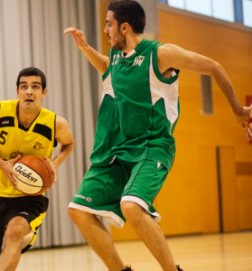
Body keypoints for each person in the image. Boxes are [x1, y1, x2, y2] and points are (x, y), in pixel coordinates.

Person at [63, 1, 252, 271]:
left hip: (153, 147)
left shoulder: (161, 54)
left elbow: (213, 66)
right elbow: (109, 68)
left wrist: (236, 109)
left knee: (130, 206)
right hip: (120, 148)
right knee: (78, 210)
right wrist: (84, 48)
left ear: (124, 27)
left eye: (108, 24)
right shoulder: (117, 56)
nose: (105, 30)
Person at [0, 67, 75, 271]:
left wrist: (55, 162)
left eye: (35, 87)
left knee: (14, 233)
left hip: (29, 196)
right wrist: (4, 165)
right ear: (17, 91)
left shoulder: (56, 123)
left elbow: (69, 144)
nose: (29, 91)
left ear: (44, 92)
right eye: (24, 86)